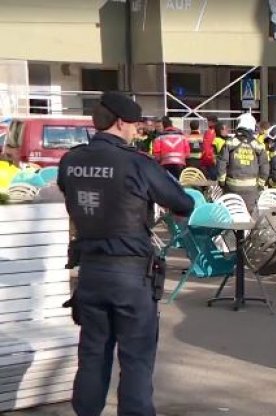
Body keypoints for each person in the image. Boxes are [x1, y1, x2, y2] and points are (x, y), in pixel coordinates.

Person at [57, 92, 194, 416]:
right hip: (131, 277)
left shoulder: (71, 161)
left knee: (92, 355)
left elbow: (70, 192)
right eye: (133, 125)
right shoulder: (136, 163)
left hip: (89, 274)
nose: (136, 131)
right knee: (135, 360)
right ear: (121, 123)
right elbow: (183, 202)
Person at [217, 113, 269, 208]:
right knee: (248, 215)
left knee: (232, 213)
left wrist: (222, 182)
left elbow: (221, 163)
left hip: (231, 188)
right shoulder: (259, 145)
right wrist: (260, 185)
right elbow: (264, 168)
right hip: (251, 189)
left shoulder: (229, 143)